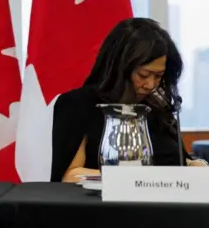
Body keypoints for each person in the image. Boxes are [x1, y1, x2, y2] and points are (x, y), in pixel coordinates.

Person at [51, 17, 208, 183]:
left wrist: (195, 165)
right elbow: (69, 176)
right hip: (106, 206)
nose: (150, 85)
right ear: (120, 68)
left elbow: (181, 162)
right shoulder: (78, 105)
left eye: (158, 76)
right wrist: (139, 179)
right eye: (144, 75)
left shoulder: (157, 107)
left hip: (171, 205)